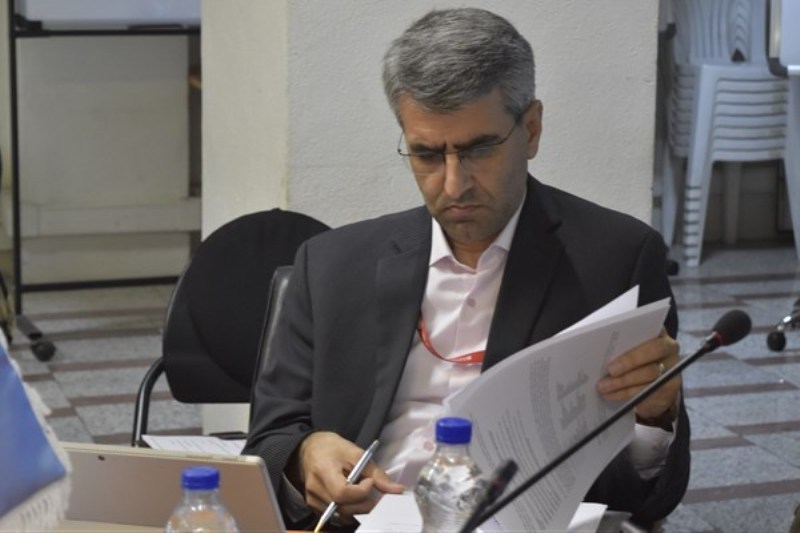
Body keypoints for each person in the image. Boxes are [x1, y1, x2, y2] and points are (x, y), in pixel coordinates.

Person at [245, 7, 689, 530]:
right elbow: (267, 442)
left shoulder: (615, 260)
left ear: (531, 129)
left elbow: (647, 501)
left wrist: (653, 417)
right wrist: (305, 454)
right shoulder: (331, 265)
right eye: (427, 155)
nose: (454, 184)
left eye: (479, 150)